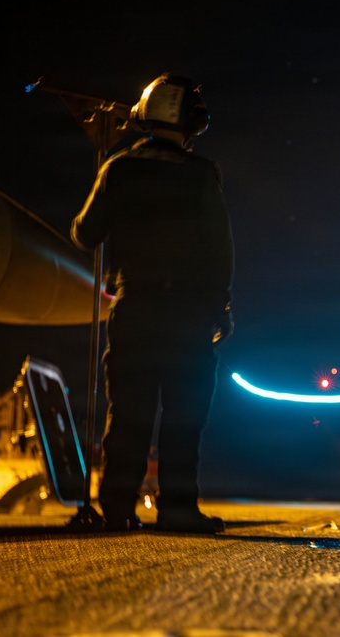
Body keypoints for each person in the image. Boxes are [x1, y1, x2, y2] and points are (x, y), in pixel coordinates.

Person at [71, 74, 234, 533]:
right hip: (189, 316)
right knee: (184, 417)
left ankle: (118, 509)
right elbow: (219, 250)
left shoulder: (118, 168)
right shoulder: (201, 174)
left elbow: (85, 234)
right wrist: (220, 307)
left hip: (135, 310)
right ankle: (178, 510)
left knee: (128, 414)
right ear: (192, 122)